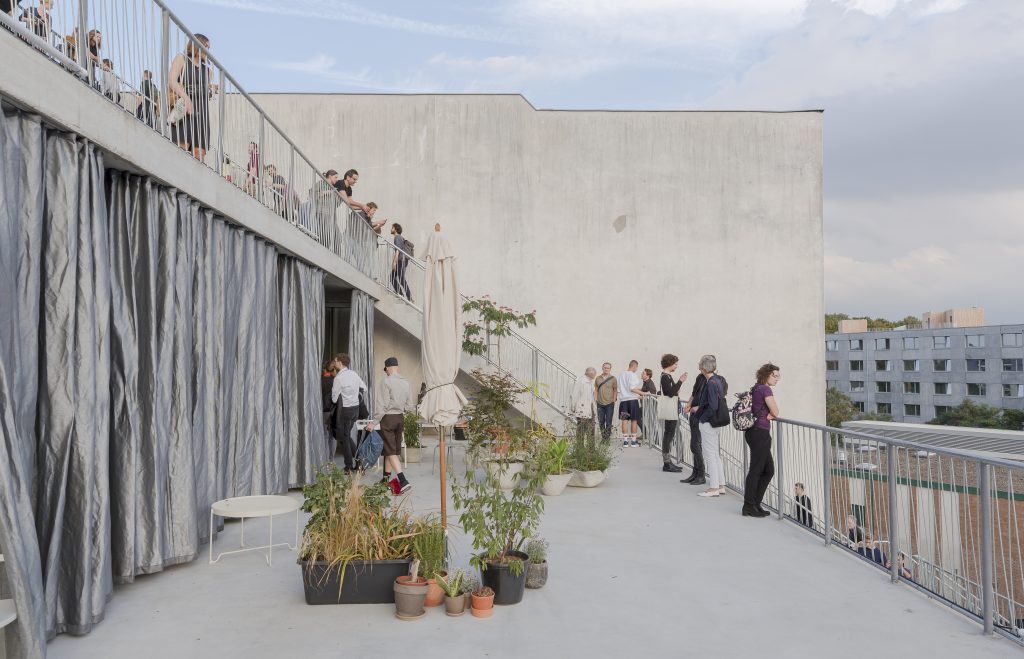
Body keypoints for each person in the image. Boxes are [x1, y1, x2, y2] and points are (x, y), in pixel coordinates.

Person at [367, 356, 414, 494]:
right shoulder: (406, 382)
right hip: (400, 418)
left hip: (387, 418)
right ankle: (385, 479)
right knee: (390, 449)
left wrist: (373, 422)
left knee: (391, 451)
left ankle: (403, 480)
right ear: (397, 367)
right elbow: (409, 405)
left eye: (386, 369)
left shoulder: (385, 382)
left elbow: (381, 405)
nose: (386, 372)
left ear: (388, 368)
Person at [169, 33, 216, 160]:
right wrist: (186, 98)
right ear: (196, 45)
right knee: (182, 148)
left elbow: (204, 92)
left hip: (201, 113)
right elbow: (172, 81)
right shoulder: (181, 59)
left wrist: (210, 90)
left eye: (209, 47)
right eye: (205, 46)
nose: (208, 50)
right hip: (185, 109)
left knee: (199, 154)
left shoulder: (208, 71)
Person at [742, 362, 780, 517]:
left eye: (778, 376)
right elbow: (776, 411)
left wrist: (769, 414)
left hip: (755, 432)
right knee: (756, 470)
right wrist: (771, 414)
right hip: (760, 433)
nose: (777, 379)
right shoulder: (765, 388)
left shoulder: (756, 387)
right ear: (767, 375)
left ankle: (755, 504)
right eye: (775, 376)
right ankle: (749, 506)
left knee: (768, 470)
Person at [694, 354, 726, 498]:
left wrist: (702, 418)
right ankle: (720, 485)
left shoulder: (711, 383)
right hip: (715, 422)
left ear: (703, 367)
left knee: (710, 455)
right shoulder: (717, 381)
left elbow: (712, 405)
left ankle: (713, 488)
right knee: (715, 454)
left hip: (709, 422)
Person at [331, 353, 367, 473]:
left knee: (344, 438)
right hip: (355, 410)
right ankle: (359, 462)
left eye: (335, 361)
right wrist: (353, 394)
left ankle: (349, 467)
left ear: (340, 362)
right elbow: (364, 388)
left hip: (345, 411)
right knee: (346, 436)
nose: (334, 362)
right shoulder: (354, 374)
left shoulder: (338, 378)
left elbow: (334, 399)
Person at [658, 354, 687, 473]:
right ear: (670, 364)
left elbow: (671, 391)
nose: (676, 366)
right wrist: (680, 381)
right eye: (675, 363)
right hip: (670, 409)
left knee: (669, 434)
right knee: (668, 435)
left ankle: (668, 462)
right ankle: (667, 463)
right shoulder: (665, 376)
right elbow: (670, 393)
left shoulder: (667, 376)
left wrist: (676, 387)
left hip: (671, 408)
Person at [681, 363, 707, 484]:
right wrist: (689, 404)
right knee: (694, 444)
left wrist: (697, 407)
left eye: (700, 365)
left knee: (696, 445)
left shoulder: (715, 380)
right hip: (693, 413)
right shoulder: (700, 377)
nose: (698, 367)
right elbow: (694, 393)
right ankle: (695, 473)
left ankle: (701, 474)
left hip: (701, 415)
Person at [617, 360, 643, 447]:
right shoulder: (632, 375)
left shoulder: (621, 374)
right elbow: (632, 388)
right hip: (632, 401)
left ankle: (625, 442)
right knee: (634, 420)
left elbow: (627, 388)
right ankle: (633, 442)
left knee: (624, 420)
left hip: (624, 401)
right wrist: (643, 393)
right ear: (635, 366)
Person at [570, 367, 597, 437]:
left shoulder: (590, 382)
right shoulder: (581, 381)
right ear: (589, 373)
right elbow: (574, 395)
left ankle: (591, 447)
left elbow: (592, 396)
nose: (595, 375)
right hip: (582, 408)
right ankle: (580, 447)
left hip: (590, 408)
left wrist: (594, 408)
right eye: (594, 373)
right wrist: (573, 407)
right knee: (581, 429)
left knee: (591, 430)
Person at [594, 362, 617, 442]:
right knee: (601, 422)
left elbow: (615, 390)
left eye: (608, 368)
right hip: (600, 403)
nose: (606, 369)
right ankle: (604, 438)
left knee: (608, 422)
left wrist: (614, 400)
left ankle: (606, 440)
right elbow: (596, 390)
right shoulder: (598, 378)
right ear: (602, 368)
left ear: (610, 369)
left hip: (610, 403)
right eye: (605, 368)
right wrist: (596, 399)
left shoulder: (613, 379)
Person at [390, 223, 412, 301]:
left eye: (392, 227)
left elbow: (398, 250)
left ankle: (408, 296)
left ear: (395, 229)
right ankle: (401, 294)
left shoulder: (397, 237)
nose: (391, 229)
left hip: (401, 261)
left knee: (399, 278)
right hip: (402, 260)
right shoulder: (400, 237)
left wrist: (394, 262)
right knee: (393, 277)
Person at [321, 360, 338, 449]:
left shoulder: (319, 380)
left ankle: (324, 458)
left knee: (323, 435)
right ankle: (331, 460)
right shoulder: (336, 381)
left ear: (324, 369)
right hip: (333, 411)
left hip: (322, 411)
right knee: (332, 436)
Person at [638, 368, 657, 440]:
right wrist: (636, 390)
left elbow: (651, 394)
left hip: (649, 406)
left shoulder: (649, 383)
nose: (641, 374)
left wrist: (638, 397)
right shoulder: (645, 382)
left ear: (648, 375)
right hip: (645, 406)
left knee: (651, 422)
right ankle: (645, 433)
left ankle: (655, 439)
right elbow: (645, 391)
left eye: (643, 373)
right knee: (637, 416)